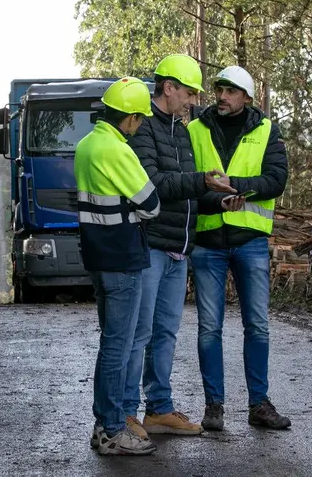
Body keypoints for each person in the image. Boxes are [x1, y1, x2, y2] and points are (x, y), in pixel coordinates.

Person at [125, 54, 238, 438]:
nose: (192, 100)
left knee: (166, 333)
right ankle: (125, 412)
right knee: (139, 333)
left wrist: (217, 199)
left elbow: (187, 193)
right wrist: (202, 182)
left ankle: (157, 409)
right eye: (188, 92)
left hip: (178, 248)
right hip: (151, 246)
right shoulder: (142, 128)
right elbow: (155, 184)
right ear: (168, 87)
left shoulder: (183, 131)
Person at [187, 65, 290, 431]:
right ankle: (213, 407)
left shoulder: (266, 130)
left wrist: (237, 187)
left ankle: (258, 404)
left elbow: (276, 179)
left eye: (231, 92)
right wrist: (217, 201)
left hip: (250, 243)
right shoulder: (195, 130)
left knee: (258, 326)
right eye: (220, 90)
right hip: (208, 242)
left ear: (247, 97)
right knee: (208, 329)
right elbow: (188, 185)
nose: (222, 97)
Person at [75, 77, 160, 456]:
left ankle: (102, 427)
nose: (139, 125)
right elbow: (151, 204)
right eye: (139, 119)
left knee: (109, 342)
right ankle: (111, 429)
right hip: (124, 260)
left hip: (97, 258)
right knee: (119, 348)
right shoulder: (118, 151)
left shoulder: (86, 145)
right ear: (129, 118)